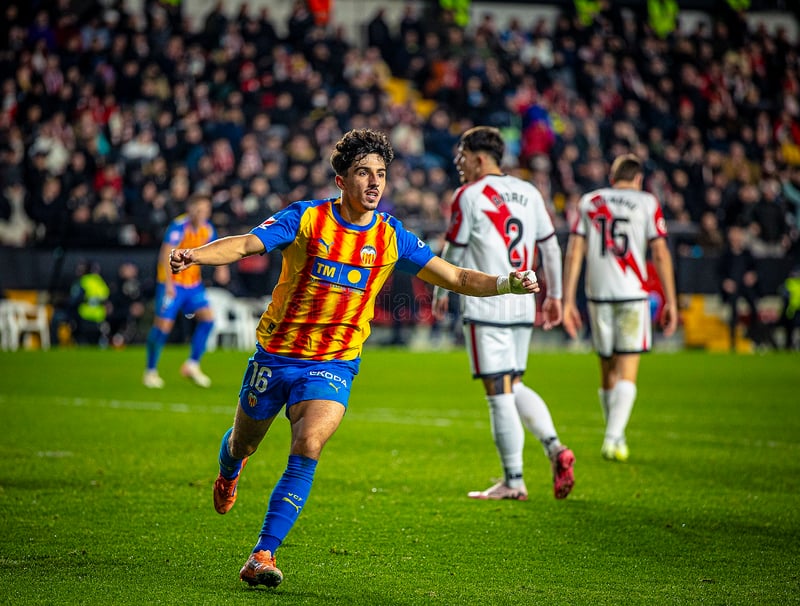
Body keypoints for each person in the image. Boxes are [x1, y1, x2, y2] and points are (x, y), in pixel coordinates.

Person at [168, 129, 541, 588]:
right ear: (341, 180)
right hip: (277, 354)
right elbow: (246, 244)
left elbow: (457, 276)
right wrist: (194, 256)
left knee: (309, 444)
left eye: (381, 173)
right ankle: (229, 471)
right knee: (242, 445)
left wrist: (507, 283)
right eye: (364, 172)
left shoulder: (390, 236)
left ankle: (263, 553)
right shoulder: (306, 219)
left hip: (334, 362)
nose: (374, 182)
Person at [431, 126, 575, 501]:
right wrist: (556, 296)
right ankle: (556, 448)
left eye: (463, 156)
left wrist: (440, 288)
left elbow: (455, 251)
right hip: (523, 303)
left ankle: (513, 481)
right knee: (514, 383)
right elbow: (551, 247)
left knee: (498, 392)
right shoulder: (530, 192)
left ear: (480, 159)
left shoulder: (468, 195)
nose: (458, 163)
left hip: (487, 303)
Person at [562, 153, 678, 462]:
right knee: (628, 366)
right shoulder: (647, 203)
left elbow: (574, 252)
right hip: (632, 294)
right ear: (639, 179)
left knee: (607, 368)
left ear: (612, 178)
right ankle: (613, 438)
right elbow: (660, 253)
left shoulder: (589, 202)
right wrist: (671, 300)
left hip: (598, 295)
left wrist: (568, 299)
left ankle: (616, 435)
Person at [143, 192, 229, 388]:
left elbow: (216, 249)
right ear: (190, 209)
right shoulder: (179, 226)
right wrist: (169, 285)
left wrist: (222, 268)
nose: (202, 214)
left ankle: (192, 364)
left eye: (206, 210)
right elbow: (165, 255)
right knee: (163, 327)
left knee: (208, 320)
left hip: (193, 285)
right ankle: (150, 370)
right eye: (199, 210)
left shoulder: (208, 228)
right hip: (173, 284)